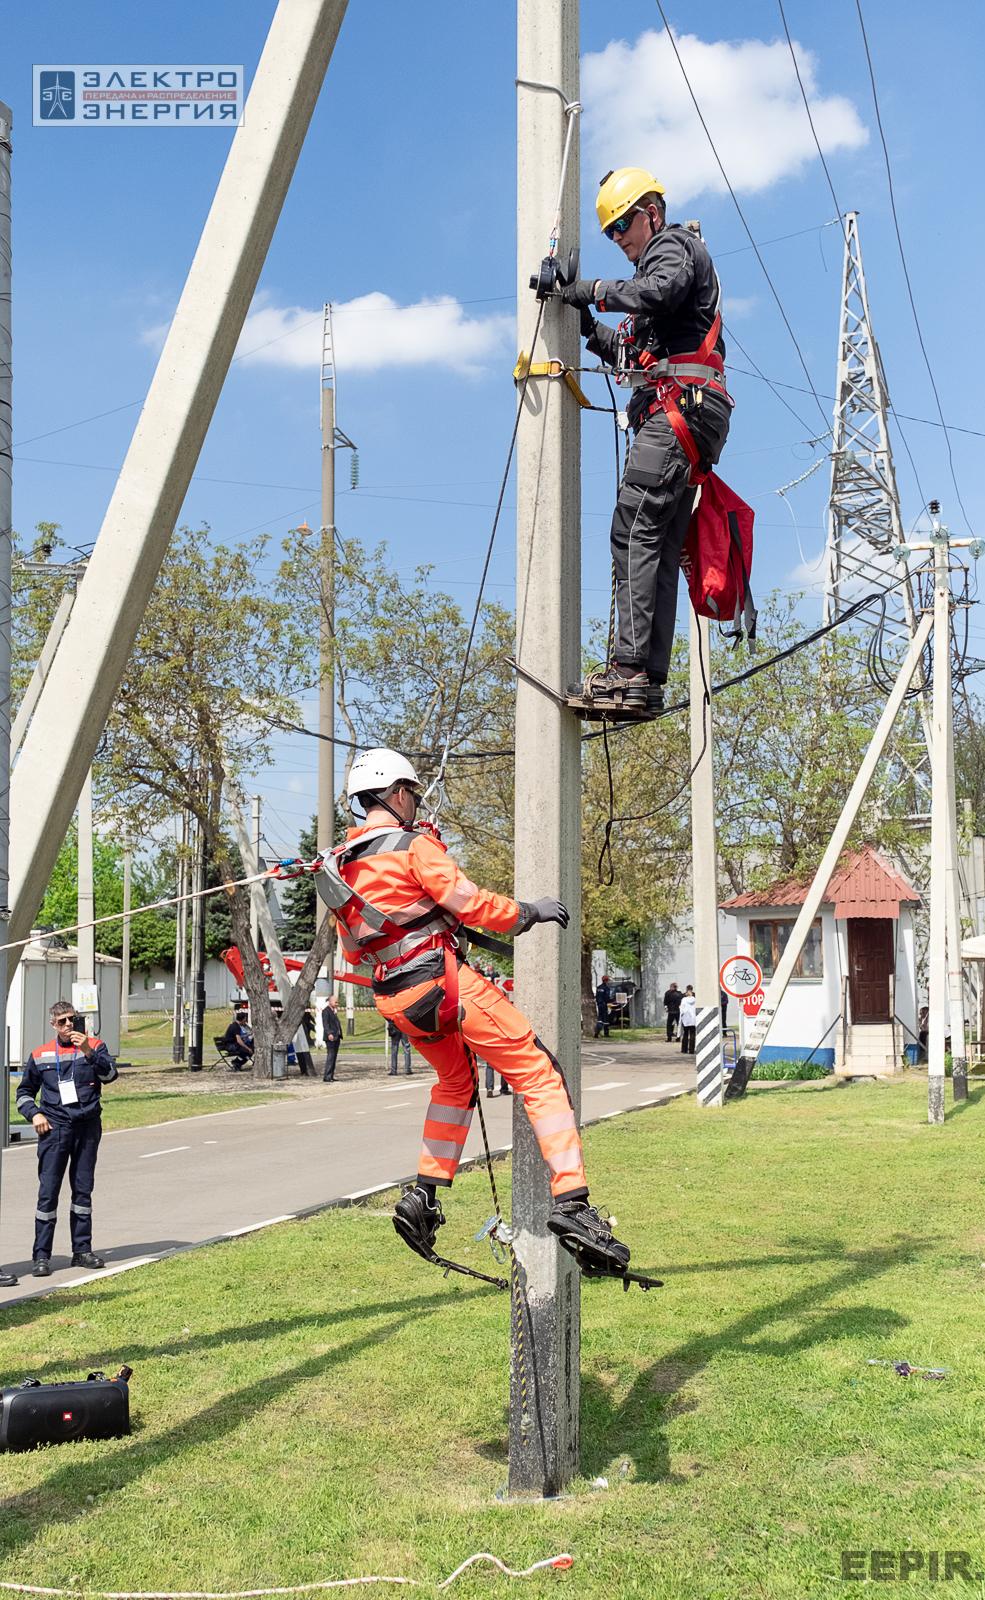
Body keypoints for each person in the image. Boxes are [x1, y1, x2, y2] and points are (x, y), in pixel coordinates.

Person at [315, 748, 630, 1276]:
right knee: (540, 1074)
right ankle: (573, 1202)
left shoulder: (341, 866)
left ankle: (424, 1196)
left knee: (455, 1084)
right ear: (397, 794)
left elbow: (354, 949)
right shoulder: (414, 846)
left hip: (397, 998)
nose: (416, 804)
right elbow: (470, 902)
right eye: (413, 796)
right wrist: (527, 912)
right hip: (444, 984)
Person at [559, 168, 732, 716]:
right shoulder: (655, 283)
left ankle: (628, 670)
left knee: (633, 528)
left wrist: (591, 290)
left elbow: (659, 291)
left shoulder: (674, 247)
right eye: (609, 232)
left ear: (651, 212)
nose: (618, 239)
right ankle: (644, 681)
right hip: (687, 415)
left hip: (680, 412)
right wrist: (586, 323)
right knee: (655, 542)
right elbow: (634, 354)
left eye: (622, 225)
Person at [15, 1000, 118, 1277]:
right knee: (48, 1193)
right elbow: (23, 1093)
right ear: (53, 1024)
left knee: (83, 1191)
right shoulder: (41, 1054)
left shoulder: (95, 1046)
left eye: (72, 1019)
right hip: (55, 1129)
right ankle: (41, 1256)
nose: (69, 1025)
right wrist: (35, 1114)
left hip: (87, 1127)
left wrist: (88, 1051)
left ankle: (82, 1251)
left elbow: (110, 1075)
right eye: (62, 1021)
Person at [321, 994, 342, 1082]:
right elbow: (325, 1024)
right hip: (331, 1037)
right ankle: (327, 1076)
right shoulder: (326, 1011)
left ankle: (331, 1075)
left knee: (334, 1057)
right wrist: (329, 1033)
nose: (337, 1004)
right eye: (335, 1002)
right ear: (330, 1002)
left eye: (337, 1002)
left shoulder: (334, 1011)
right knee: (330, 1056)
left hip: (336, 1037)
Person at [593, 974, 613, 1039]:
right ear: (606, 981)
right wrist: (612, 1000)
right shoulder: (606, 988)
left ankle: (596, 1033)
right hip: (604, 1005)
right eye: (608, 980)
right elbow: (607, 998)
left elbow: (597, 997)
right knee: (606, 1019)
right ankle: (606, 1034)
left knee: (600, 1019)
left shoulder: (598, 987)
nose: (609, 982)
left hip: (599, 1005)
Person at [679, 987, 697, 1055]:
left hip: (685, 1018)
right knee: (692, 1034)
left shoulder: (684, 999)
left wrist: (681, 1016)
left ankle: (684, 1049)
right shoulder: (695, 1000)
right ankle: (691, 1050)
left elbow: (682, 1008)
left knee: (685, 1034)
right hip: (693, 1019)